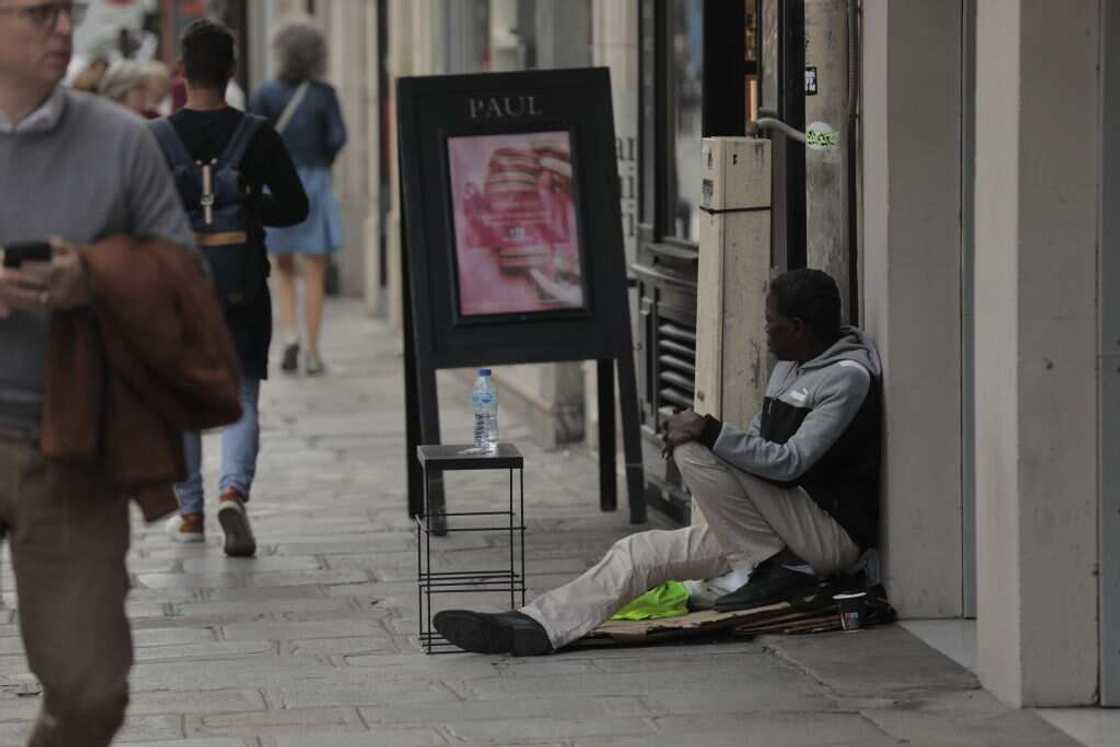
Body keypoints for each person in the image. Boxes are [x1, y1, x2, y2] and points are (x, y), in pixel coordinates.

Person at [434, 269, 882, 655]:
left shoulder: (848, 378)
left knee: (694, 446)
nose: (765, 331)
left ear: (799, 327)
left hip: (825, 535)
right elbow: (756, 442)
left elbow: (789, 465)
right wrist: (714, 438)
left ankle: (777, 569)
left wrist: (707, 431)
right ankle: (535, 627)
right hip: (777, 534)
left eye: (772, 323)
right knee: (640, 551)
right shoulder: (789, 364)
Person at [0, 0, 218, 742]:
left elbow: (186, 281)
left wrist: (92, 277)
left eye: (67, 11)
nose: (62, 28)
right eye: (38, 13)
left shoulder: (121, 140)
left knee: (91, 691)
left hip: (67, 438)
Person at [154, 18, 308, 556]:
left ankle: (191, 511)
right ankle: (233, 492)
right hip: (242, 284)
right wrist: (247, 211)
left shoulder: (158, 138)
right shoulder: (257, 134)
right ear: (232, 71)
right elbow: (296, 205)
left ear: (181, 71)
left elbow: (138, 218)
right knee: (242, 394)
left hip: (178, 292)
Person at [250, 14, 347, 376]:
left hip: (277, 186)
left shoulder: (264, 93)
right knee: (316, 270)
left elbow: (254, 141)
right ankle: (313, 351)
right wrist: (321, 161)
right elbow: (338, 138)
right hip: (316, 183)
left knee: (284, 268)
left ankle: (289, 336)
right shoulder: (325, 94)